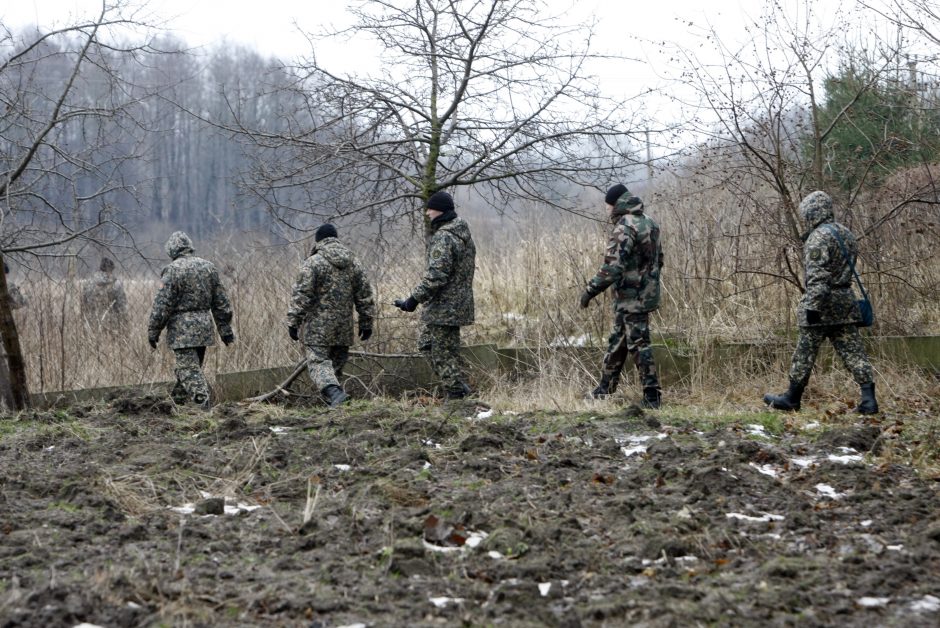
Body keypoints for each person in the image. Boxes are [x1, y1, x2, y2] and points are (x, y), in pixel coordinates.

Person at [764, 191, 878, 414]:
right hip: (845, 303)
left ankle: (792, 398)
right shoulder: (846, 234)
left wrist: (813, 307)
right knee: (853, 352)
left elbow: (818, 276)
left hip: (823, 305)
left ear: (811, 212)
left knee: (805, 353)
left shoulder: (818, 237)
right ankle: (869, 400)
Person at [580, 184, 663, 409]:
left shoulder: (624, 227)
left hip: (631, 297)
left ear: (615, 204)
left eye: (607, 205)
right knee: (618, 341)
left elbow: (612, 268)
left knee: (639, 344)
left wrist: (590, 291)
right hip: (644, 295)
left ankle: (652, 395)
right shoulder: (650, 222)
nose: (606, 210)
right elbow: (659, 260)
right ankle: (605, 389)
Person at [395, 190, 476, 399]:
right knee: (430, 345)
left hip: (444, 307)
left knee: (440, 352)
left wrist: (412, 300)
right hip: (458, 304)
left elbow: (436, 276)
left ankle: (456, 394)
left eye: (429, 209)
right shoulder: (464, 235)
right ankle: (460, 389)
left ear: (439, 211)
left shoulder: (444, 237)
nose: (427, 213)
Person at [286, 224, 375, 407]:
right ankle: (336, 407)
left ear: (318, 241)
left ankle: (335, 396)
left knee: (318, 363)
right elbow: (364, 295)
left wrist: (293, 321)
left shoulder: (314, 263)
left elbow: (302, 295)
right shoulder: (353, 263)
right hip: (344, 328)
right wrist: (366, 322)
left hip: (319, 327)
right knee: (334, 370)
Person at [147, 231, 235, 409]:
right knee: (190, 368)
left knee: (188, 370)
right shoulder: (208, 267)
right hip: (204, 327)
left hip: (182, 330)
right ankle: (177, 402)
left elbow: (162, 304)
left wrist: (154, 330)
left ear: (171, 251)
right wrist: (225, 330)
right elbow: (221, 302)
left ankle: (203, 404)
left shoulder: (172, 270)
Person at [81, 256, 128, 328]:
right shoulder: (116, 284)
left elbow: (84, 305)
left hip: (90, 324)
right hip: (111, 325)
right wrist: (124, 324)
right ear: (111, 269)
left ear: (100, 268)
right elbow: (122, 308)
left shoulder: (88, 284)